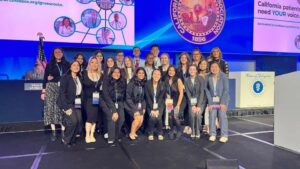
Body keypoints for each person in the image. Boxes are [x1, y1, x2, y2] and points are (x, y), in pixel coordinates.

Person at [41, 48, 69, 141]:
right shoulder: (49, 65)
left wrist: (54, 77)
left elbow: (67, 76)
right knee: (51, 109)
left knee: (61, 109)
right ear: (53, 54)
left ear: (62, 53)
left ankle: (63, 132)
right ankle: (53, 132)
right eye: (55, 52)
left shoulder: (67, 64)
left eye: (59, 52)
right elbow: (45, 78)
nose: (58, 53)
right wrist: (43, 91)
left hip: (62, 88)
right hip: (51, 88)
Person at [56, 61, 83, 147]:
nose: (76, 66)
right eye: (74, 65)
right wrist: (66, 107)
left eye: (78, 65)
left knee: (79, 121)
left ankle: (72, 139)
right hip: (68, 103)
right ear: (70, 67)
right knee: (73, 121)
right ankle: (66, 139)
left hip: (77, 102)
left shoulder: (79, 78)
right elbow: (62, 93)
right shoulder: (65, 78)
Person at [205, 61, 229, 143]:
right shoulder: (207, 76)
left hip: (223, 99)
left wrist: (222, 103)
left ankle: (224, 135)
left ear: (219, 67)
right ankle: (212, 134)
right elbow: (206, 89)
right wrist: (210, 102)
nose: (214, 68)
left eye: (215, 67)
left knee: (222, 115)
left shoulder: (223, 76)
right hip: (213, 100)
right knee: (212, 114)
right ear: (210, 68)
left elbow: (226, 90)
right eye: (212, 67)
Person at [82, 57, 104, 143]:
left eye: (96, 63)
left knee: (94, 118)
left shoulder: (101, 75)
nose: (94, 64)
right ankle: (87, 135)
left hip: (97, 99)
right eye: (92, 62)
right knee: (90, 118)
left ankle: (92, 134)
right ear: (89, 63)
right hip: (87, 99)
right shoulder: (84, 73)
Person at [103, 67, 127, 144]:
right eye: (115, 72)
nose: (117, 74)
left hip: (119, 102)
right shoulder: (106, 81)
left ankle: (116, 135)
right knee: (113, 117)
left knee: (121, 119)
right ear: (111, 73)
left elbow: (124, 94)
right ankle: (111, 137)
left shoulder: (123, 81)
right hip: (109, 102)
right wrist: (113, 109)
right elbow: (106, 95)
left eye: (118, 72)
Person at [125, 67, 147, 140]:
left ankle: (134, 132)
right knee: (137, 119)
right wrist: (135, 109)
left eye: (143, 73)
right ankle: (131, 133)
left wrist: (143, 108)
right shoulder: (131, 83)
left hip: (139, 105)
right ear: (136, 74)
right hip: (130, 105)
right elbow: (128, 97)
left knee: (141, 121)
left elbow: (143, 98)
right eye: (139, 73)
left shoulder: (143, 84)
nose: (141, 74)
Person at [145, 69, 166, 141]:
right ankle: (150, 133)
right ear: (152, 75)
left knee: (158, 117)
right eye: (155, 74)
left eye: (158, 74)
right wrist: (152, 109)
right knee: (152, 117)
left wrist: (156, 109)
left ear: (160, 76)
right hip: (149, 104)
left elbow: (161, 98)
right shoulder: (147, 84)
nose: (156, 76)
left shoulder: (162, 84)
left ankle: (160, 133)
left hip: (159, 105)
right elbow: (147, 97)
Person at [185, 65, 205, 139]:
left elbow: (202, 93)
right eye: (190, 69)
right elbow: (188, 93)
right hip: (191, 102)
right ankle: (193, 131)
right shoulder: (186, 80)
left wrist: (198, 106)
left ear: (196, 70)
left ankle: (198, 131)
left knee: (198, 114)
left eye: (194, 69)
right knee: (192, 114)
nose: (192, 71)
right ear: (188, 71)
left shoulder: (200, 79)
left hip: (201, 101)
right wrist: (193, 105)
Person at [165, 65, 184, 139]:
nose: (171, 72)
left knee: (175, 116)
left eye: (173, 70)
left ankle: (179, 130)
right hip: (170, 100)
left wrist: (178, 105)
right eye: (170, 70)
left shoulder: (178, 80)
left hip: (178, 100)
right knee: (170, 116)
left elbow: (181, 93)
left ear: (175, 72)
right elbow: (166, 90)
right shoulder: (166, 79)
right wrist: (167, 95)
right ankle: (172, 130)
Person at [177, 52, 191, 135]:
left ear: (187, 59)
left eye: (185, 58)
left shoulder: (191, 68)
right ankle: (185, 126)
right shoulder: (178, 69)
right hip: (181, 92)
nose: (183, 59)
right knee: (183, 109)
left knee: (189, 109)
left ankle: (189, 126)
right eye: (182, 58)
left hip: (190, 92)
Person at [198, 59, 210, 134]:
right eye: (201, 64)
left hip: (208, 96)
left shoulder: (210, 75)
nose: (202, 65)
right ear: (199, 65)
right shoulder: (196, 74)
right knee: (199, 112)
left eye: (204, 64)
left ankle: (207, 126)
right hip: (199, 97)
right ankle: (198, 127)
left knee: (207, 111)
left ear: (207, 66)